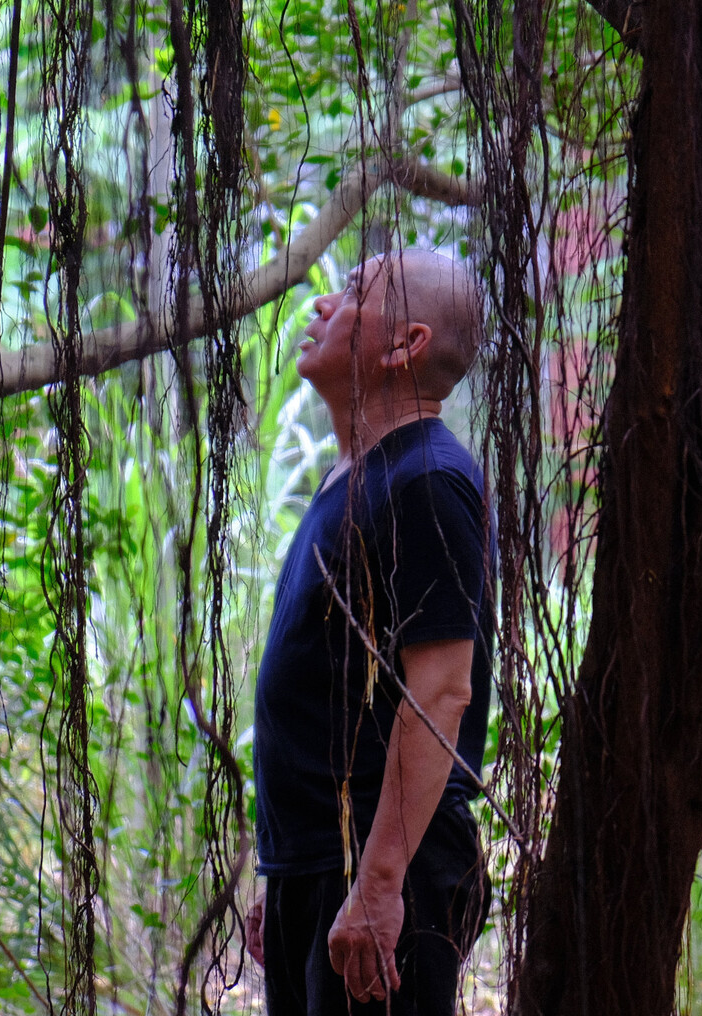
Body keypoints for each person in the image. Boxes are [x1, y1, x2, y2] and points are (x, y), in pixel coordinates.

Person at [246, 248, 494, 1014]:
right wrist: (285, 878)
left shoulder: (427, 480)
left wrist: (379, 887)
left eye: (354, 291)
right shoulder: (357, 476)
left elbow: (443, 690)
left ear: (404, 345)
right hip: (322, 872)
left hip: (389, 876)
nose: (324, 303)